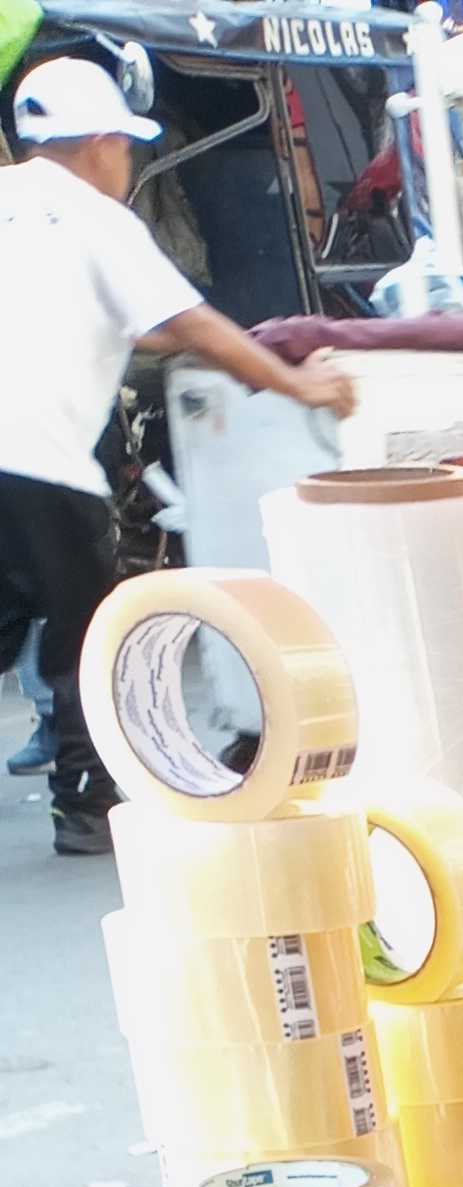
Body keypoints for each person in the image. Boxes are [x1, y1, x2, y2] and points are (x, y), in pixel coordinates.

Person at [0, 58, 349, 857]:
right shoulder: (97, 219)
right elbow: (190, 323)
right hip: (44, 463)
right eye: (125, 148)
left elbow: (127, 321)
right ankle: (86, 805)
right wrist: (300, 383)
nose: (126, 165)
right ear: (100, 144)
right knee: (90, 639)